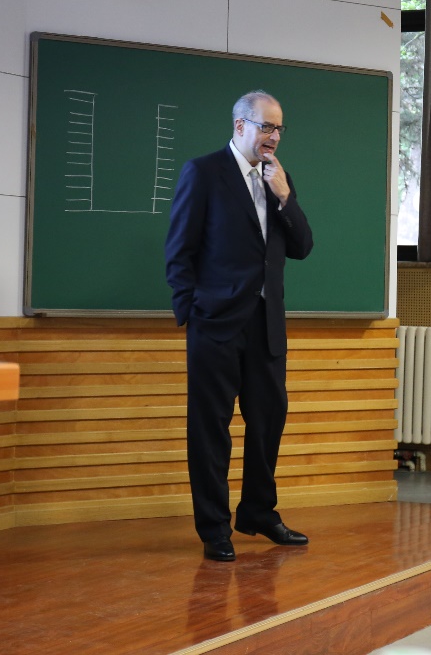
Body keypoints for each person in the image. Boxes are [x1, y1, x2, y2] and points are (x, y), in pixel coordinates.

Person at [164, 90, 314, 562]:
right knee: (211, 430)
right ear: (240, 125)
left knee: (268, 421)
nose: (274, 136)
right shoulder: (204, 172)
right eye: (266, 126)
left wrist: (285, 197)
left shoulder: (278, 179)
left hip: (266, 325)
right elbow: (179, 251)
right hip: (215, 325)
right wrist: (191, 313)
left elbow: (302, 247)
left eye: (279, 128)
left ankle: (258, 513)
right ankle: (214, 528)